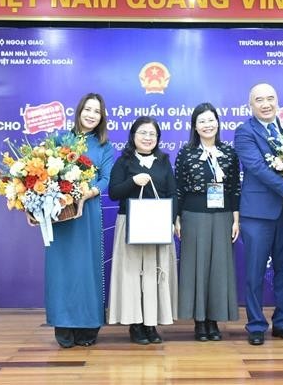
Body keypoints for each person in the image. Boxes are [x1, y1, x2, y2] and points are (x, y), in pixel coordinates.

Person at [234, 82, 283, 346]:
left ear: (277, 101)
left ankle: (282, 323)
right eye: (259, 100)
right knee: (255, 272)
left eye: (270, 98)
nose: (266, 104)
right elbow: (257, 168)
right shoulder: (244, 132)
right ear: (251, 105)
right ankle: (256, 325)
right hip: (257, 215)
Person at [45, 93, 115, 348]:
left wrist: (88, 193)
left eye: (97, 111)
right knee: (61, 269)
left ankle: (88, 325)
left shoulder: (105, 146)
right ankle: (63, 325)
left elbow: (106, 178)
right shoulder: (59, 139)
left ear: (101, 117)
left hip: (87, 211)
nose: (91, 115)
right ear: (79, 111)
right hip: (60, 213)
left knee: (87, 269)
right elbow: (44, 175)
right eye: (88, 109)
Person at [108, 116, 178, 344]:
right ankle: (135, 324)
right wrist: (133, 181)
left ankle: (151, 324)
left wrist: (171, 219)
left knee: (154, 273)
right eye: (143, 133)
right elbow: (114, 193)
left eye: (152, 134)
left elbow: (172, 193)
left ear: (158, 138)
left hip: (157, 225)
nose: (148, 138)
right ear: (133, 136)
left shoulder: (164, 161)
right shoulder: (123, 161)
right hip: (130, 224)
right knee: (132, 275)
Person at [175, 103, 241, 342]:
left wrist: (236, 218)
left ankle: (214, 320)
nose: (207, 125)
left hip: (223, 216)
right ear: (194, 126)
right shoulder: (186, 153)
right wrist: (177, 217)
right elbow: (179, 188)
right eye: (202, 121)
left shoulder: (229, 153)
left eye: (211, 120)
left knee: (219, 268)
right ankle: (199, 322)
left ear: (218, 123)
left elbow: (234, 188)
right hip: (193, 216)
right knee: (196, 268)